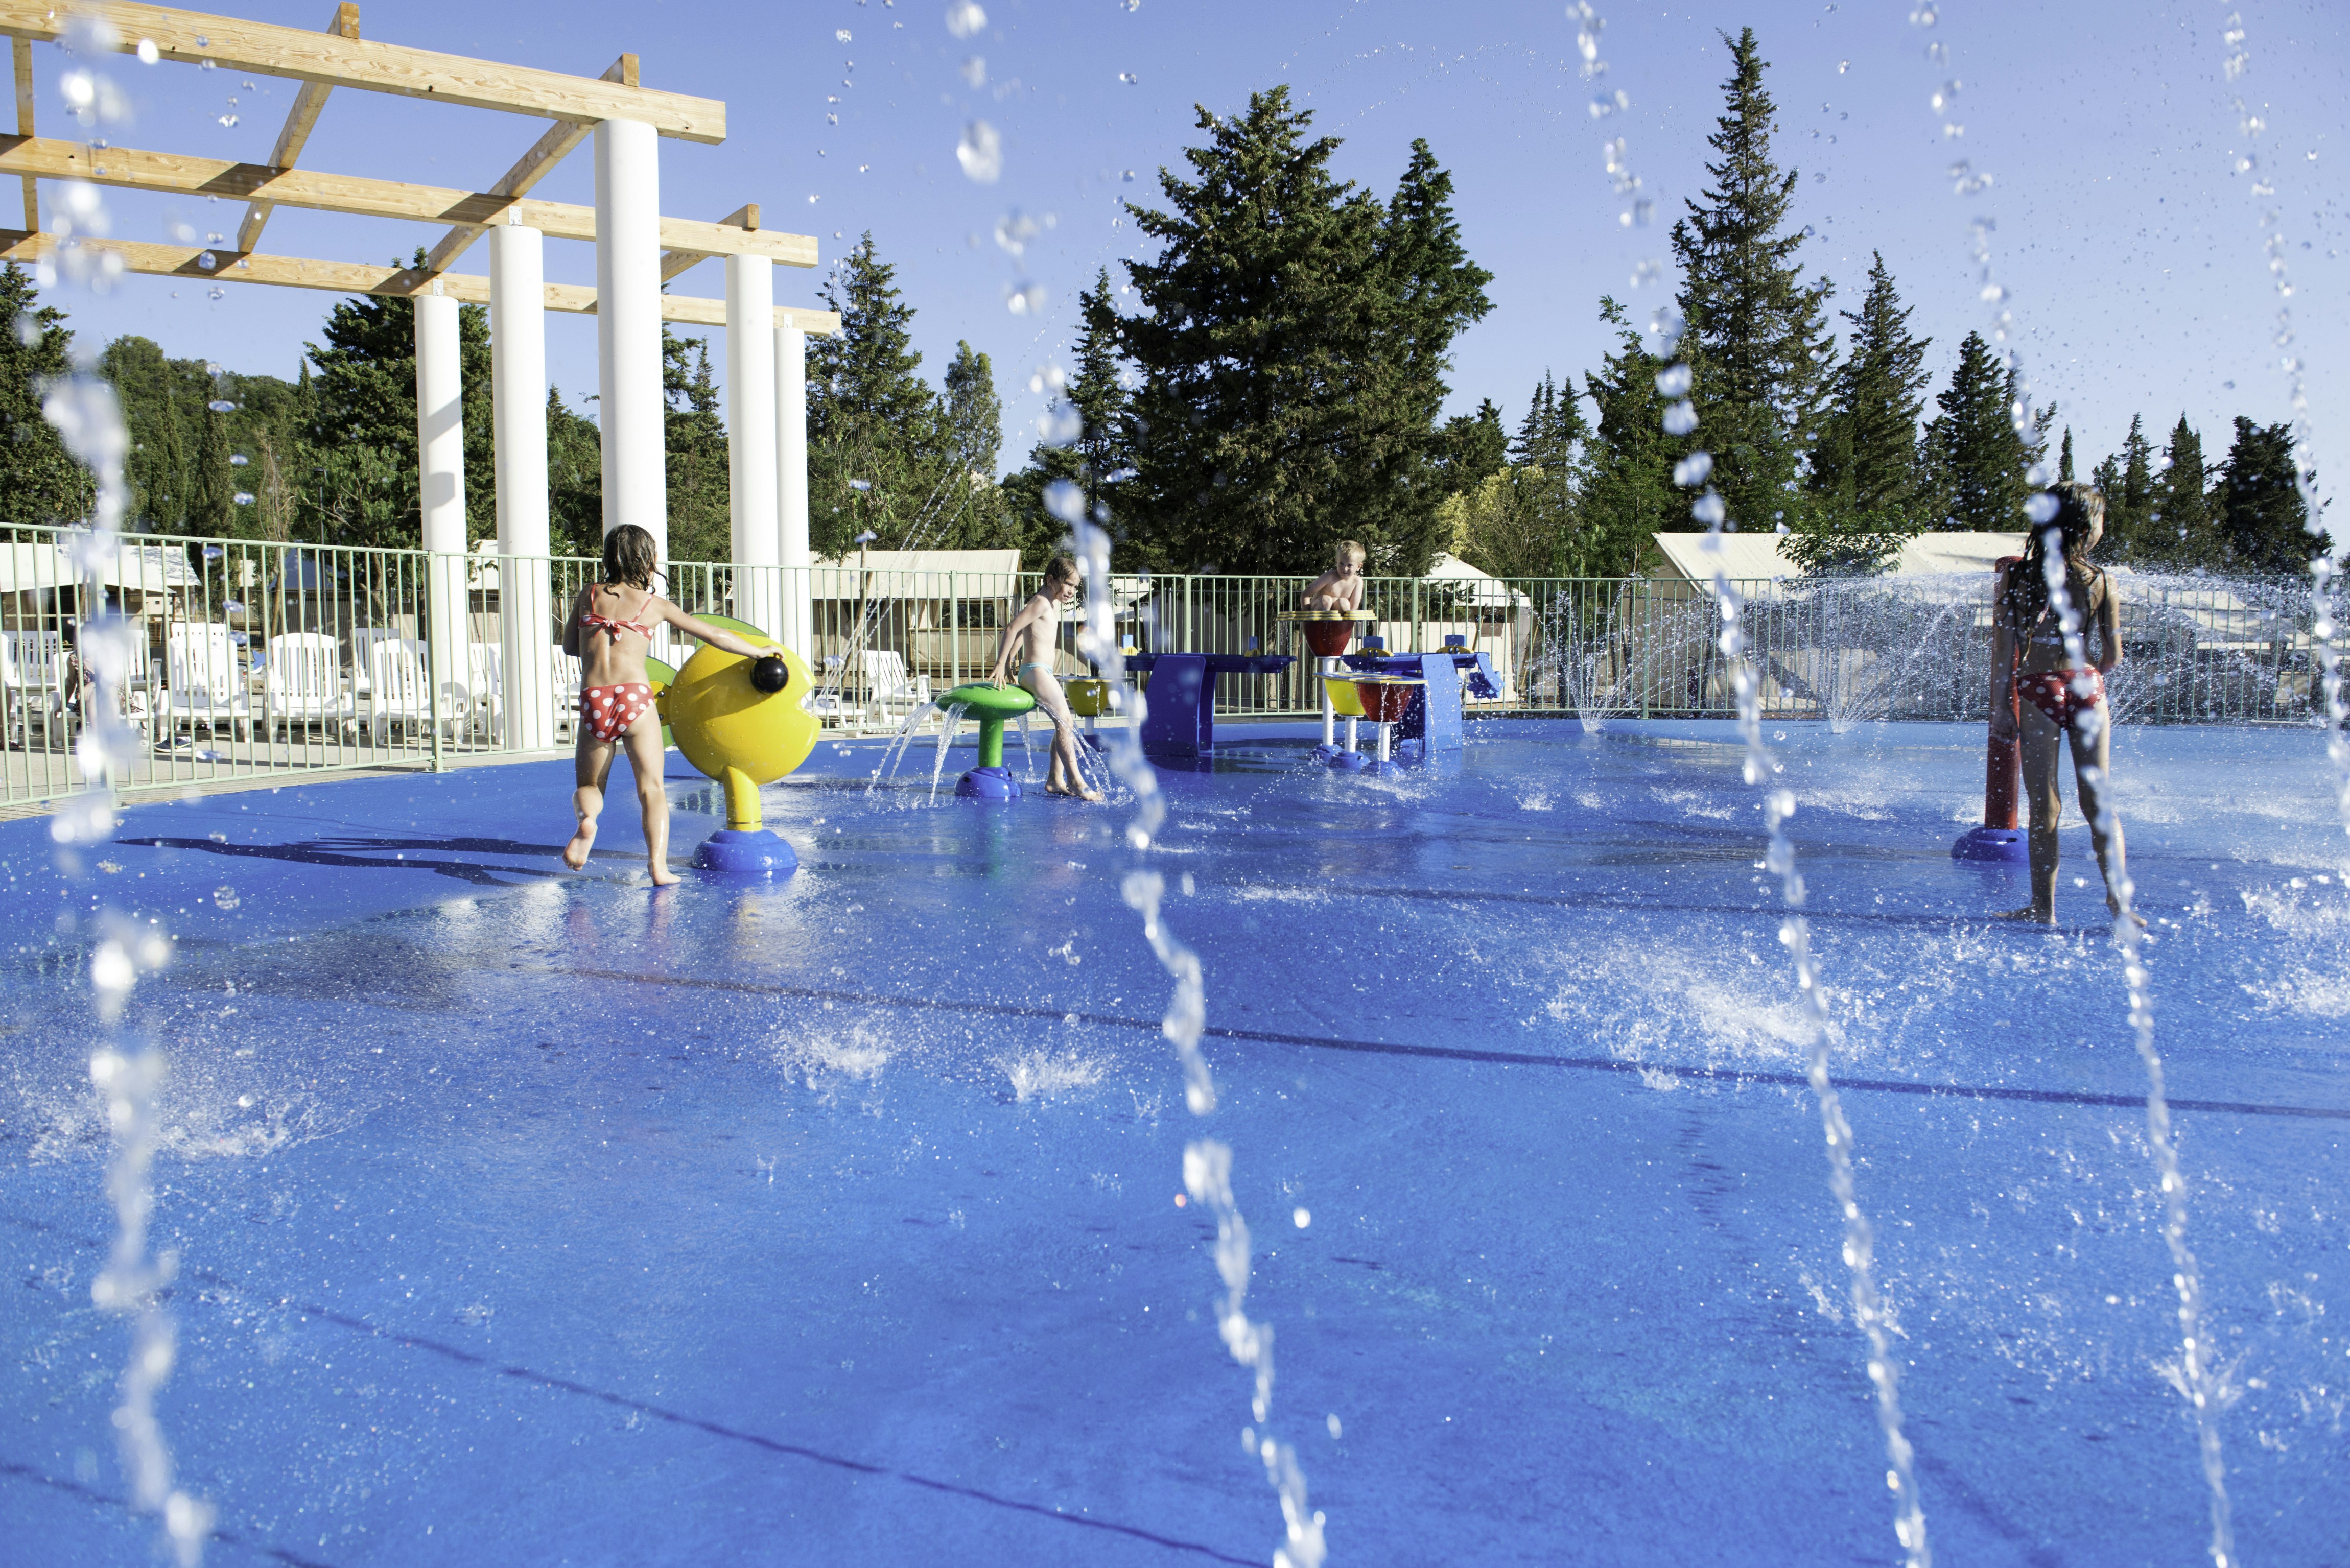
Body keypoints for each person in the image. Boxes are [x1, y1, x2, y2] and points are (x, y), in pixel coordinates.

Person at [560, 524, 766, 884]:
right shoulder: (654, 606)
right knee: (651, 788)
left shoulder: (588, 595)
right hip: (636, 698)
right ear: (648, 559)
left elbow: (569, 647)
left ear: (610, 557)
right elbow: (714, 635)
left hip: (595, 699)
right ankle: (658, 868)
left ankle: (587, 821)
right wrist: (759, 651)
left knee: (591, 786)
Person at [1989, 482, 2142, 927]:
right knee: (2099, 801)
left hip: (2038, 688)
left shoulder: (2016, 577)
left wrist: (2003, 708)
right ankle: (2120, 905)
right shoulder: (2102, 580)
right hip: (2086, 688)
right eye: (2099, 522)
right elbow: (2112, 656)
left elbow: (2004, 654)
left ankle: (2044, 908)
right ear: (2083, 527)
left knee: (2045, 805)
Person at [988, 555, 1102, 801]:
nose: (1072, 591)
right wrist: (1001, 664)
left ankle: (1055, 779)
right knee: (1065, 720)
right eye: (1068, 584)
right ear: (1051, 580)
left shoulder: (1051, 603)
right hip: (1035, 670)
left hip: (1041, 670)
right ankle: (1076, 781)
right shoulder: (1041, 601)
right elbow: (1011, 628)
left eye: (1075, 586)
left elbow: (1023, 632)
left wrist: (1010, 662)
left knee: (1064, 722)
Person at [1301, 539, 1368, 613]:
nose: (1345, 569)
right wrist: (1306, 619)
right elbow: (1306, 594)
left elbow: (1352, 610)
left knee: (1344, 603)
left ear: (1359, 566)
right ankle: (1319, 624)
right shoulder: (1329, 577)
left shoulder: (1357, 582)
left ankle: (1336, 625)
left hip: (1338, 621)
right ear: (1337, 561)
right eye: (1341, 564)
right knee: (1326, 601)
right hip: (1317, 616)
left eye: (1349, 565)